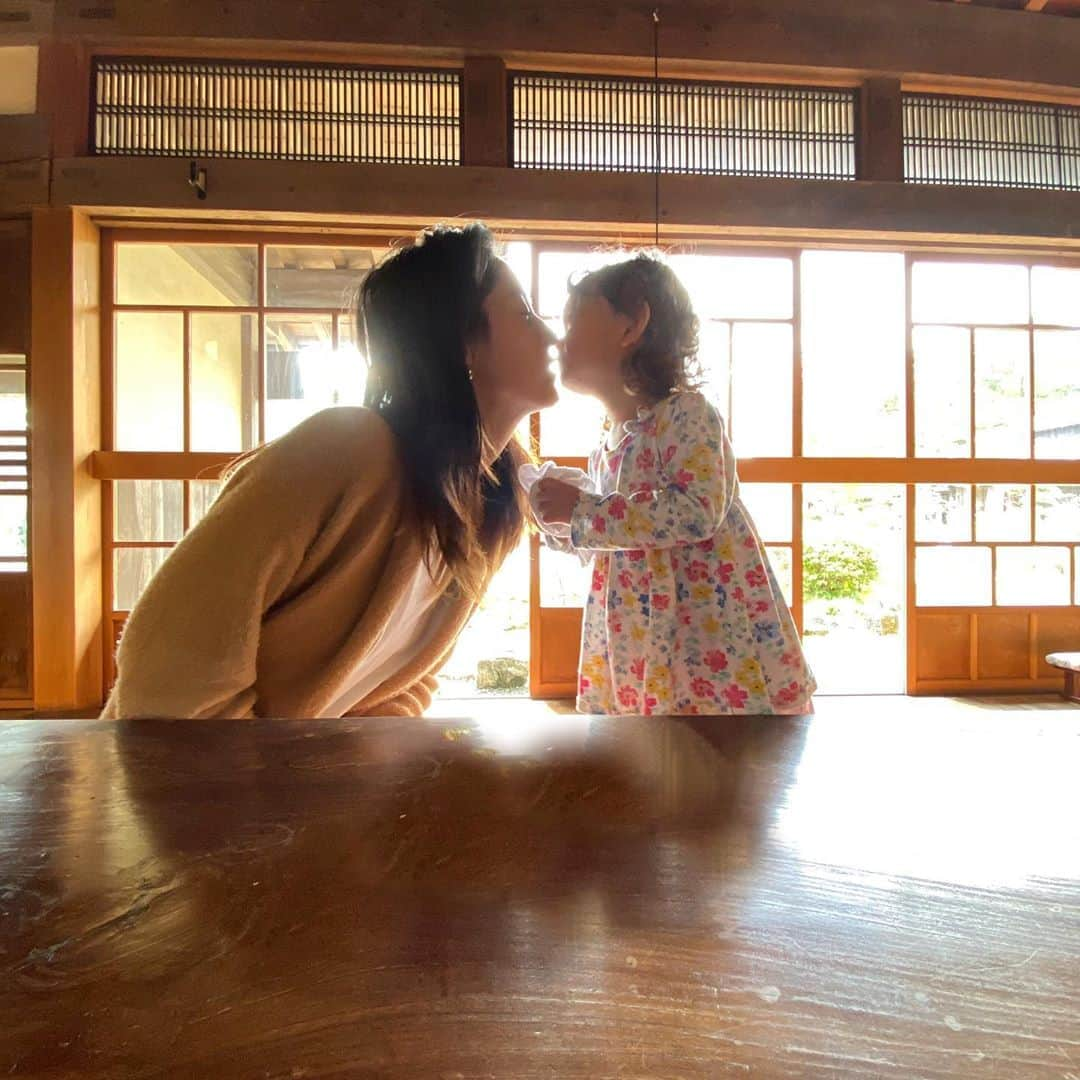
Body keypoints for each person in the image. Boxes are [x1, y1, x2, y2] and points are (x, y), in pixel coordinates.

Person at [103, 223, 558, 719]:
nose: (552, 334)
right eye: (525, 314)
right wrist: (250, 783)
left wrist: (363, 772)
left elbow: (403, 681)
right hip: (171, 781)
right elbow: (164, 661)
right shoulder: (347, 448)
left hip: (301, 784)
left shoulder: (494, 502)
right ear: (463, 345)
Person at [531, 253, 815, 716]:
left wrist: (585, 513)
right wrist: (564, 523)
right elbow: (621, 537)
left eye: (571, 323)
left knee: (722, 760)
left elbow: (696, 512)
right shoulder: (608, 443)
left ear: (631, 326)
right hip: (643, 635)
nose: (559, 341)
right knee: (654, 757)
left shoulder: (687, 414)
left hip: (704, 635)